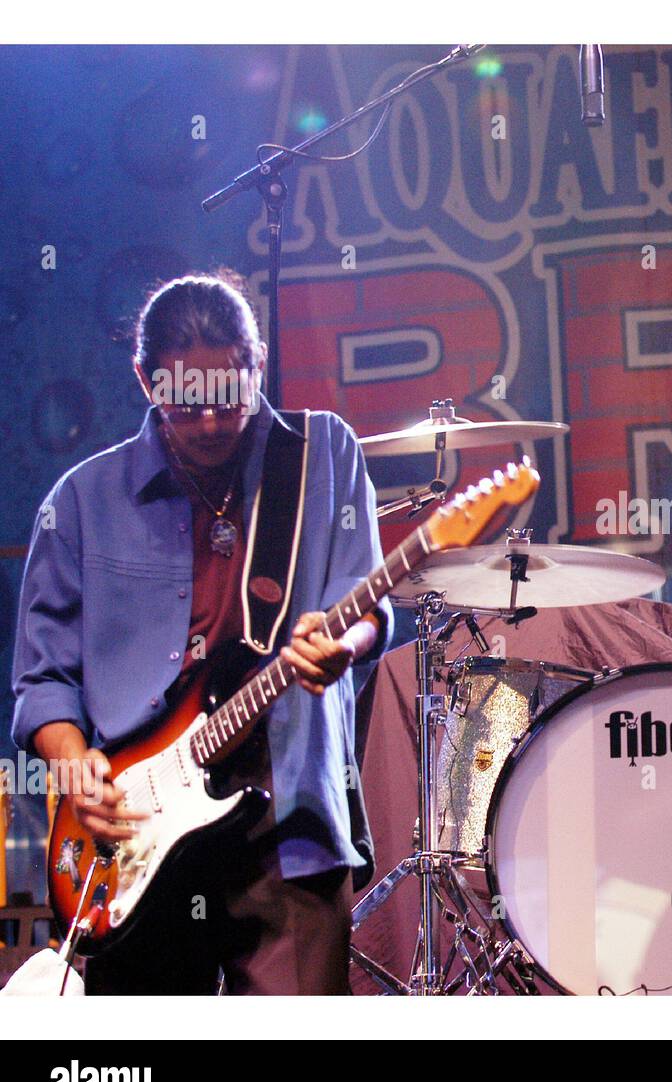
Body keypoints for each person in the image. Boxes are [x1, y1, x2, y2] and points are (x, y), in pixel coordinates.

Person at [11, 272, 393, 994]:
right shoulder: (82, 502)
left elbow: (366, 605)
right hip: (135, 833)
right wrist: (73, 766)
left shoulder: (320, 457)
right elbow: (42, 680)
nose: (213, 423)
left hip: (286, 813)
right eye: (186, 404)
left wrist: (342, 647)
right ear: (144, 379)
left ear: (257, 366)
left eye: (229, 396)